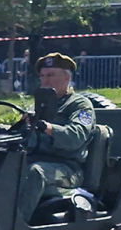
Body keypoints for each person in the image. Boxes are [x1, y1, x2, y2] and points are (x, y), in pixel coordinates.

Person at [16, 54, 96, 221]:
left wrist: (48, 127)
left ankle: (17, 226)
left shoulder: (79, 105)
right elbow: (24, 137)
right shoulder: (40, 105)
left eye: (51, 75)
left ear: (67, 77)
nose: (45, 81)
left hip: (67, 168)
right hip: (34, 159)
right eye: (43, 76)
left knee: (36, 172)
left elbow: (75, 137)